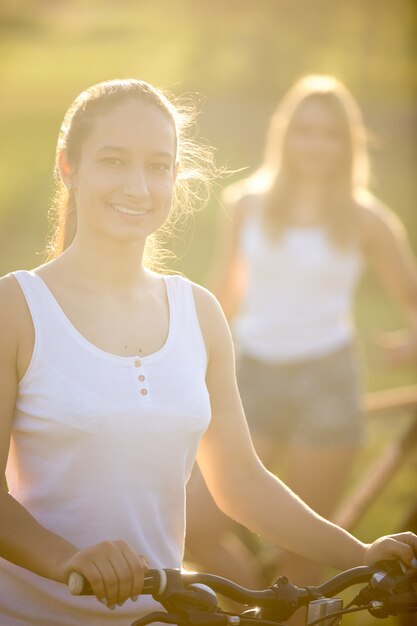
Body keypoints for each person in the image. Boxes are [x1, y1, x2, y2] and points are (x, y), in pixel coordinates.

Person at [0, 78, 416, 626]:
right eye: (113, 161)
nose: (138, 186)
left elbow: (241, 482)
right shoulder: (17, 305)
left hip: (161, 617)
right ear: (68, 167)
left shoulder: (198, 312)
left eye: (158, 166)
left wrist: (358, 554)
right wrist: (67, 560)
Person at [186, 75, 417, 588]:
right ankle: (259, 609)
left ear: (348, 144)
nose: (316, 144)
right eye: (305, 131)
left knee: (305, 556)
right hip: (250, 376)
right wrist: (180, 351)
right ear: (285, 135)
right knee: (196, 528)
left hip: (327, 381)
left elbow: (411, 296)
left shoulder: (366, 218)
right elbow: (221, 293)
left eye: (330, 134)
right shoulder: (247, 202)